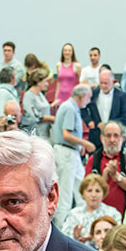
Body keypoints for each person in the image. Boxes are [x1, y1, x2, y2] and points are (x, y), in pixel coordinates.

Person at [51, 84, 96, 223]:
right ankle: (60, 229)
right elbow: (66, 134)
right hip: (66, 153)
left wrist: (78, 145)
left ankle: (84, 222)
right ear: (82, 96)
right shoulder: (70, 108)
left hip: (71, 152)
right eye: (89, 97)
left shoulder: (71, 107)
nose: (89, 101)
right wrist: (84, 143)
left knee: (80, 187)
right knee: (66, 194)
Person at [84, 121, 126, 216]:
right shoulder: (93, 160)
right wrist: (104, 178)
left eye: (116, 136)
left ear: (122, 138)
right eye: (108, 136)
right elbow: (87, 192)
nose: (112, 140)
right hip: (98, 217)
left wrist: (117, 177)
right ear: (102, 138)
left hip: (125, 216)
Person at [63, 173, 121, 247]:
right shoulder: (74, 214)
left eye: (97, 191)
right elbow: (64, 240)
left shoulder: (113, 213)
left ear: (104, 194)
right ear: (82, 194)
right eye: (89, 190)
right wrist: (75, 238)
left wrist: (93, 238)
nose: (93, 195)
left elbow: (118, 239)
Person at [82, 69, 126, 149]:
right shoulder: (93, 93)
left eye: (106, 83)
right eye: (101, 83)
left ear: (112, 82)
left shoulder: (121, 96)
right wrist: (89, 121)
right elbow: (83, 108)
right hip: (96, 134)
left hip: (114, 136)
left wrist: (109, 125)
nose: (103, 86)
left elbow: (124, 116)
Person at [22, 69, 53, 138]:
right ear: (38, 82)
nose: (47, 84)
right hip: (35, 135)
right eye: (45, 81)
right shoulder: (28, 96)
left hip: (45, 133)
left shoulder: (40, 94)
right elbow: (34, 116)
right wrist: (50, 118)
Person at [0, 68, 19, 134]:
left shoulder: (9, 90)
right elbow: (2, 113)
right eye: (15, 75)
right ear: (12, 78)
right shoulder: (3, 92)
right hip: (0, 128)